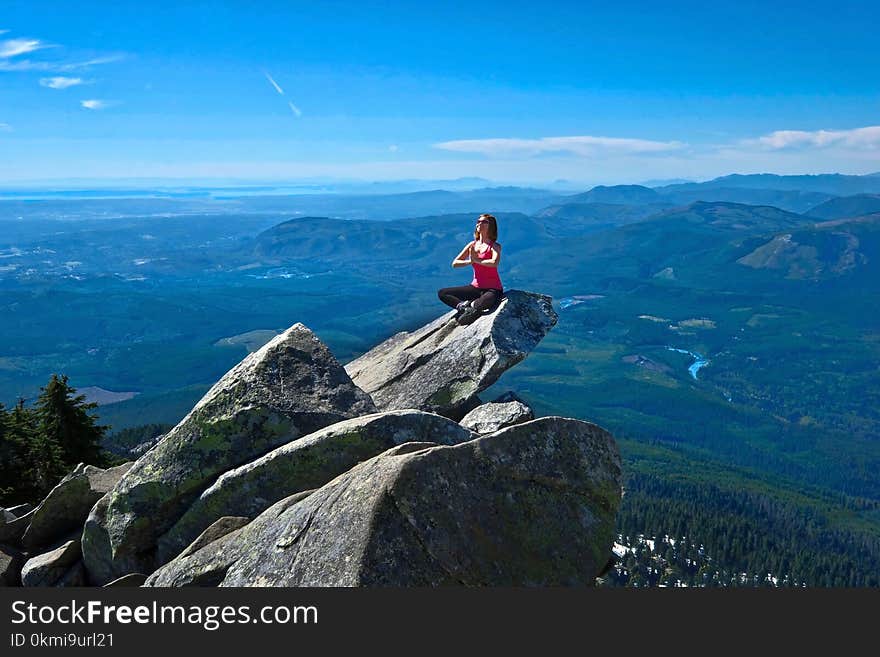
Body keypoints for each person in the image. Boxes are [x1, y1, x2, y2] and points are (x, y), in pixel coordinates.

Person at [437, 213, 503, 325]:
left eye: (484, 222)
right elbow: (455, 263)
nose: (479, 223)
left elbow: (494, 262)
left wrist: (476, 260)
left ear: (491, 226)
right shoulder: (472, 245)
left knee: (485, 302)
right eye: (478, 221)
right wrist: (470, 261)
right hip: (475, 287)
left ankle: (471, 307)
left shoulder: (494, 246)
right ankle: (464, 308)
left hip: (493, 289)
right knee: (443, 293)